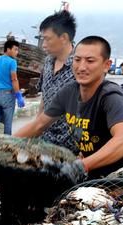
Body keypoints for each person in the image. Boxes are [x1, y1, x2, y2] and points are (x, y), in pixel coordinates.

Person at [15, 36, 123, 178]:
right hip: (90, 170)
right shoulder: (69, 92)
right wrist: (1, 143)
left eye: (90, 61)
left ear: (106, 65)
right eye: (77, 59)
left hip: (119, 176)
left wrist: (80, 166)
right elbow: (38, 125)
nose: (81, 67)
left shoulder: (111, 96)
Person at [37, 10, 79, 153]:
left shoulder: (81, 67)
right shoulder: (48, 62)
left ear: (64, 38)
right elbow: (44, 96)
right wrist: (36, 129)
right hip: (45, 140)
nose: (43, 44)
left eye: (47, 39)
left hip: (70, 146)